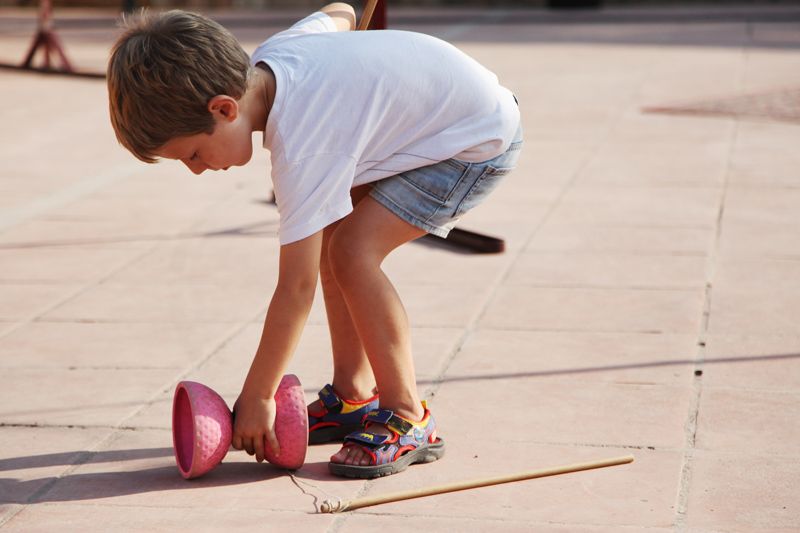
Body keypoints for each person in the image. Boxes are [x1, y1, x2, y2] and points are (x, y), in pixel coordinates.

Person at [107, 2, 522, 479]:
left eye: (194, 154)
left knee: (352, 253)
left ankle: (409, 416)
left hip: (475, 141)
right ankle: (354, 394)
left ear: (223, 108)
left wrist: (259, 395)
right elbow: (341, 11)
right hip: (437, 122)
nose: (197, 169)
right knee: (332, 238)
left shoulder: (304, 145)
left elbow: (296, 288)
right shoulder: (275, 56)